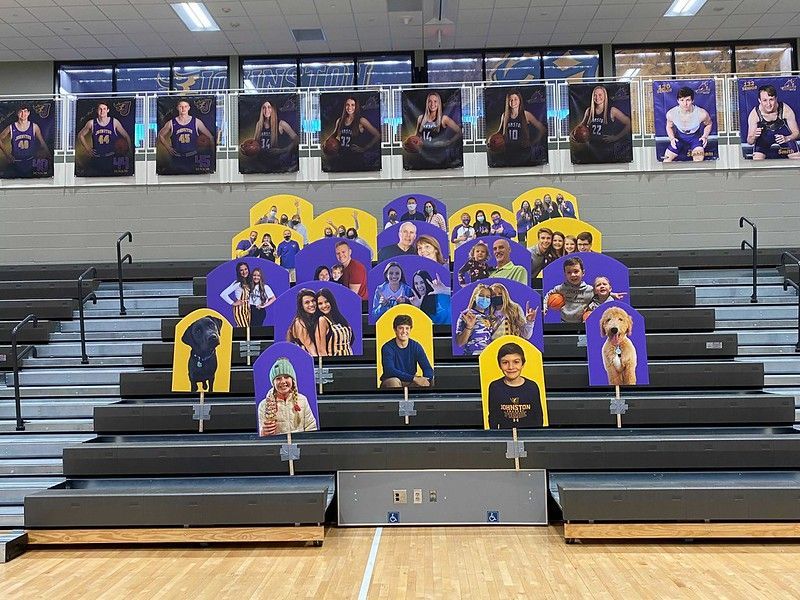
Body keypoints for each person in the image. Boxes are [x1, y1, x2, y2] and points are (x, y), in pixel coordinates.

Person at [487, 342, 545, 429]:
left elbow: (538, 418)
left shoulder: (532, 387)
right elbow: (493, 419)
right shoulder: (495, 387)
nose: (511, 367)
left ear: (523, 364)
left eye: (516, 362)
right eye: (505, 362)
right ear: (499, 365)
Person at [571, 85, 632, 164]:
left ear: (605, 96)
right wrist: (573, 133)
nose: (597, 97)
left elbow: (629, 123)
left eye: (600, 95)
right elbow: (581, 125)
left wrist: (616, 137)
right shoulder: (589, 111)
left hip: (608, 151)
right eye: (595, 95)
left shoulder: (612, 110)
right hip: (592, 150)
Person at [257, 357, 317, 436]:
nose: (283, 382)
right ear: (273, 383)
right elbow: (262, 435)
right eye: (278, 378)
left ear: (292, 379)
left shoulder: (302, 400)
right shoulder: (263, 405)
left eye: (286, 377)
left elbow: (311, 427)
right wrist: (263, 433)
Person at [157, 99, 215, 174]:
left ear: (189, 108)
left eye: (185, 106)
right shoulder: (171, 122)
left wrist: (212, 153)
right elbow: (160, 135)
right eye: (181, 106)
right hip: (177, 158)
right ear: (177, 108)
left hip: (192, 157)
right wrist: (168, 148)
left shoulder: (196, 121)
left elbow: (210, 137)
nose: (183, 109)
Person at [492, 89, 547, 166]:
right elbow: (499, 132)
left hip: (523, 153)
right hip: (508, 152)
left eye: (515, 99)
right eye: (510, 100)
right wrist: (491, 140)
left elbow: (542, 129)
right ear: (507, 102)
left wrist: (534, 142)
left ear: (520, 100)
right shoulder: (504, 115)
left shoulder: (526, 114)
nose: (513, 102)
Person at [76, 102, 132, 176]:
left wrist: (129, 150)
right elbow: (80, 135)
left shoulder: (114, 122)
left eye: (104, 109)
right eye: (100, 109)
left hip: (111, 157)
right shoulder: (92, 123)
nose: (102, 111)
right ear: (97, 110)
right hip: (97, 158)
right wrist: (88, 148)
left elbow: (126, 136)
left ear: (108, 110)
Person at [326, 96, 381, 171]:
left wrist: (364, 148)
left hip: (356, 159)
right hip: (342, 157)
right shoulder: (340, 120)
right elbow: (334, 134)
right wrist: (327, 142)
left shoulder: (361, 120)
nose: (349, 107)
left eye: (352, 105)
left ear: (356, 107)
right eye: (347, 105)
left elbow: (377, 135)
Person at [746, 84, 800, 160]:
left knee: (797, 157)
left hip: (783, 137)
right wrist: (754, 136)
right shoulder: (754, 114)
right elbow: (750, 141)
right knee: (757, 159)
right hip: (764, 139)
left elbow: (797, 133)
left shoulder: (785, 110)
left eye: (771, 99)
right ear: (759, 100)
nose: (768, 104)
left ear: (776, 99)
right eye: (765, 100)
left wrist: (787, 138)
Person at [380, 314, 434, 388]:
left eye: (407, 328)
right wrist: (413, 378)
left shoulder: (416, 346)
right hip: (392, 380)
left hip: (410, 381)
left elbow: (427, 368)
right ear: (395, 330)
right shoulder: (387, 347)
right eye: (401, 328)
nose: (404, 331)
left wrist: (426, 379)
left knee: (432, 380)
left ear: (410, 329)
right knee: (394, 381)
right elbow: (390, 370)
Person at [411, 91, 463, 169]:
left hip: (440, 157)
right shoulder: (421, 118)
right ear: (427, 103)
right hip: (424, 157)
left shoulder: (444, 118)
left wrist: (449, 141)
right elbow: (416, 136)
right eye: (430, 101)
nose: (432, 104)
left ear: (439, 103)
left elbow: (460, 131)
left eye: (435, 101)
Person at [664, 86, 713, 162]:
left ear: (692, 100)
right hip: (679, 139)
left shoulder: (702, 113)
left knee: (698, 160)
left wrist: (705, 136)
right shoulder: (671, 114)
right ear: (678, 101)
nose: (685, 104)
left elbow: (709, 124)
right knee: (666, 160)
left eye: (688, 100)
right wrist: (672, 138)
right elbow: (668, 126)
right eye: (682, 100)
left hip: (695, 139)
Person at [1, 103, 49, 178]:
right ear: (17, 113)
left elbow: (42, 143)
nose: (23, 114)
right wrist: (7, 155)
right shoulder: (11, 127)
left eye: (25, 111)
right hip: (16, 162)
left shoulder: (34, 126)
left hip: (30, 162)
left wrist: (49, 156)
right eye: (21, 111)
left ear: (29, 113)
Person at [543, 256, 594, 324]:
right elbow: (549, 294)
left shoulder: (590, 289)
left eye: (576, 271)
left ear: (583, 272)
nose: (573, 275)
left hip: (583, 325)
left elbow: (601, 297)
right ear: (565, 274)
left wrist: (591, 308)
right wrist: (544, 306)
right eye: (569, 272)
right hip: (564, 323)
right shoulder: (561, 288)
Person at [455, 284, 494, 355]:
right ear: (474, 297)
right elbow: (460, 343)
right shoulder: (467, 314)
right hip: (472, 356)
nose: (485, 299)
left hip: (487, 356)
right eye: (481, 295)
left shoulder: (489, 317)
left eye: (488, 297)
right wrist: (469, 327)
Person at [315, 288, 353, 356]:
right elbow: (321, 350)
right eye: (320, 303)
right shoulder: (322, 320)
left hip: (349, 360)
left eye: (326, 301)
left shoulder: (339, 318)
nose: (324, 305)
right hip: (335, 363)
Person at [286, 288, 320, 356]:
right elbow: (310, 348)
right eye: (307, 302)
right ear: (301, 306)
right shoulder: (299, 323)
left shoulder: (314, 319)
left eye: (313, 301)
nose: (311, 304)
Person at [219, 261, 252, 328]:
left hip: (248, 309)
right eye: (241, 270)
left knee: (247, 330)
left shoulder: (249, 282)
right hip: (240, 310)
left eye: (245, 269)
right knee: (244, 329)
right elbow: (223, 294)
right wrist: (233, 303)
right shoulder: (238, 283)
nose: (244, 272)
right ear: (238, 272)